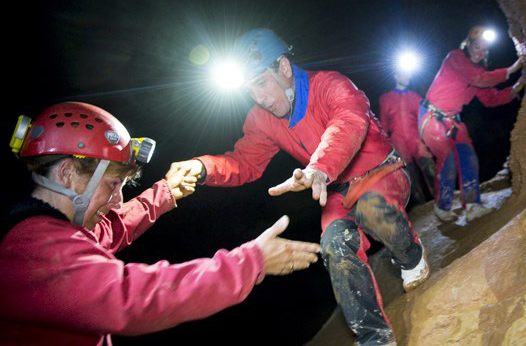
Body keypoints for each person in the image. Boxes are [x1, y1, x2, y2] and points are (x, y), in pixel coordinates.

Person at [168, 28, 429, 346]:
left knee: (371, 207)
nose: (259, 97)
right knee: (334, 244)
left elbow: (348, 122)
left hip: (382, 172)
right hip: (337, 192)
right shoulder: (262, 117)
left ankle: (410, 255)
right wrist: (203, 166)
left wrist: (319, 168)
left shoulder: (330, 85)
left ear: (284, 68)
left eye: (261, 83)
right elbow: (245, 162)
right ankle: (375, 337)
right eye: (250, 90)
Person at [0, 101, 320, 346]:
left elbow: (109, 230)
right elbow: (132, 299)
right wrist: (250, 262)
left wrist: (166, 192)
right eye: (112, 185)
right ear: (68, 173)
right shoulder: (30, 248)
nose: (117, 200)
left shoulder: (46, 233)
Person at [419, 26, 526, 222]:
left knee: (468, 158)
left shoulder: (479, 73)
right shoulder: (455, 58)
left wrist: (517, 87)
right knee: (448, 158)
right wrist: (512, 69)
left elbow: (490, 98)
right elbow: (478, 78)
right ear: (468, 44)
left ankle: (472, 206)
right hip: (431, 116)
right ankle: (442, 206)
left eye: (485, 49)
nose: (481, 52)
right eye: (477, 47)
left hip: (453, 120)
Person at [378, 69, 436, 207]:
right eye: (404, 73)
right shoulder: (385, 99)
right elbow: (383, 125)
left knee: (430, 169)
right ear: (395, 76)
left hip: (416, 139)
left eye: (409, 73)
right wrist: (385, 151)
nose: (408, 76)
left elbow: (424, 121)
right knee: (409, 180)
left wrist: (430, 139)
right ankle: (422, 210)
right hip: (398, 143)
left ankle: (442, 201)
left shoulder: (416, 97)